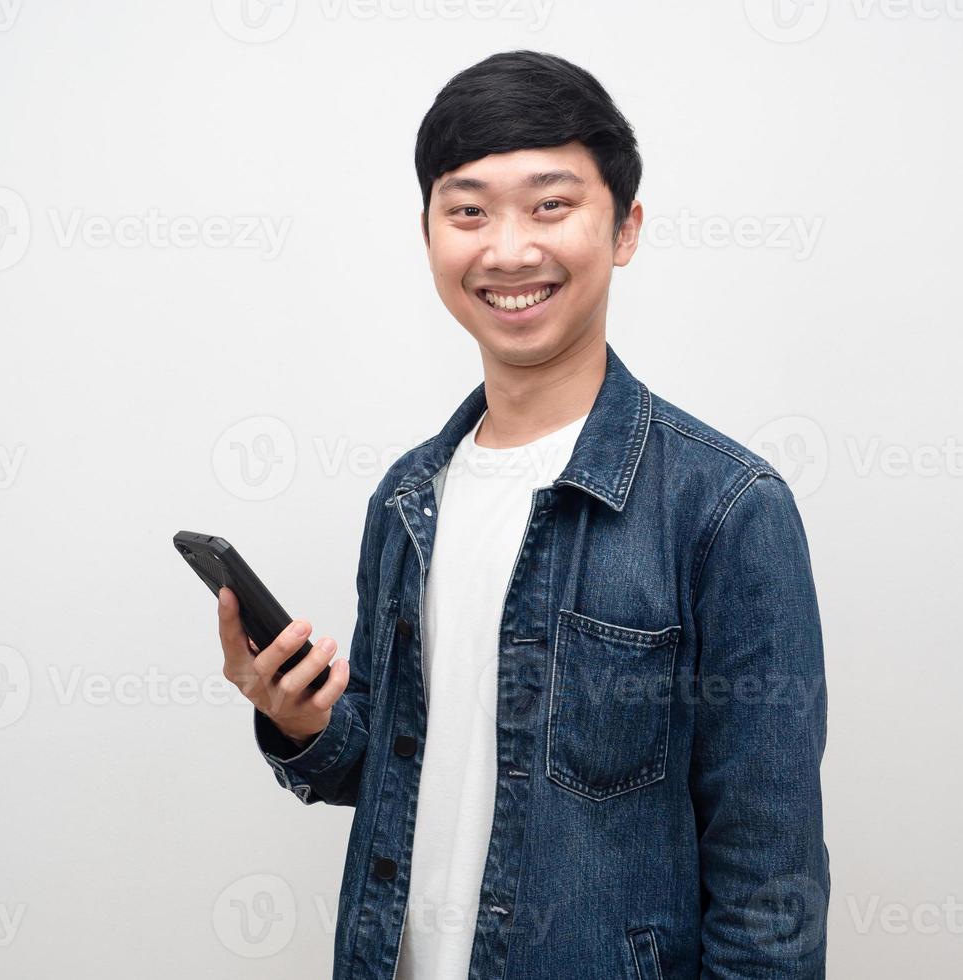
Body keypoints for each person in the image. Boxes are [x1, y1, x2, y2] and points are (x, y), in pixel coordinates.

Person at [218, 49, 829, 980]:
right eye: (468, 211)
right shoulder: (406, 500)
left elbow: (769, 890)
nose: (507, 250)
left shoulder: (726, 510)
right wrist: (299, 720)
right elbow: (397, 772)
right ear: (427, 234)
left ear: (623, 228)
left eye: (550, 205)